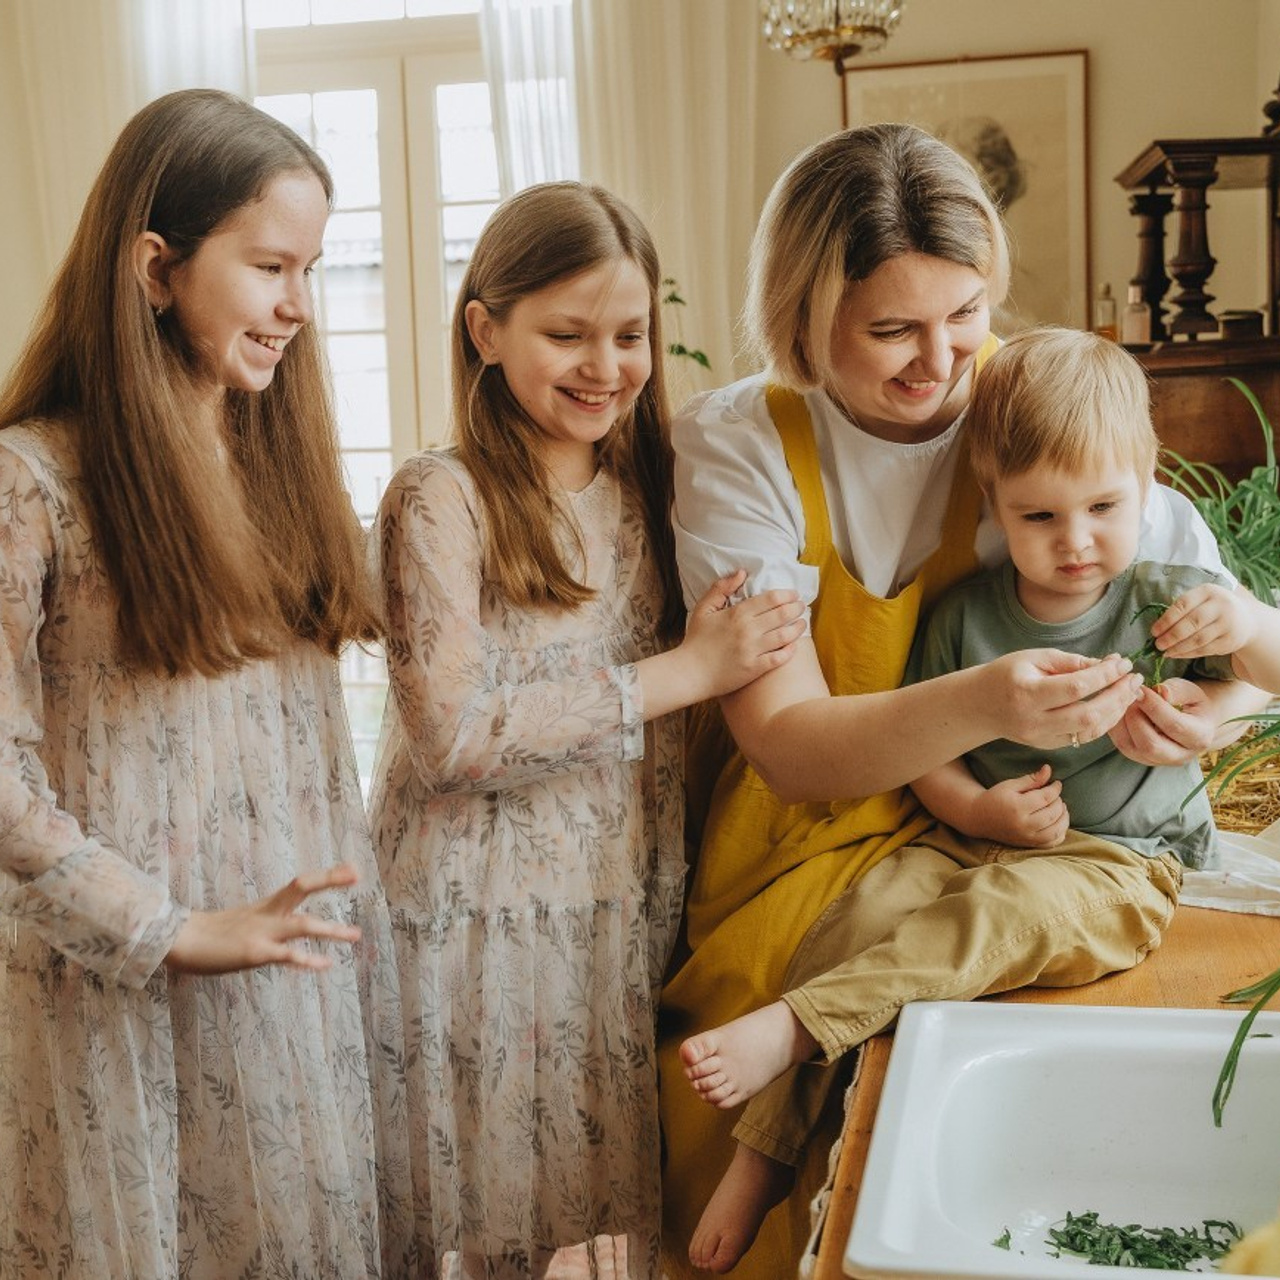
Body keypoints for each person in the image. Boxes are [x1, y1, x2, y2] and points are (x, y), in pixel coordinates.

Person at [655, 123, 1269, 1280]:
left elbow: (1235, 659)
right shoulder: (744, 440)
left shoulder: (1037, 405)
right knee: (793, 983)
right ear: (801, 315)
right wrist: (989, 703)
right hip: (809, 834)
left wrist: (1202, 720)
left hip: (1050, 839)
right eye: (889, 329)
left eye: (964, 313)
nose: (940, 361)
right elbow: (789, 748)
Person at [0, 89, 408, 1278]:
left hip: (286, 976)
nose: (297, 305)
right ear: (154, 265)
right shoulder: (30, 479)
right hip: (119, 985)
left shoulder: (277, 458)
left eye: (312, 268)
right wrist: (170, 930)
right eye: (270, 264)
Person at [366, 181, 804, 1279]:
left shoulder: (654, 482)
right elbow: (451, 736)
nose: (604, 365)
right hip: (462, 914)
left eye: (628, 333)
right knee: (447, 1217)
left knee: (563, 1220)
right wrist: (684, 668)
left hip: (606, 905)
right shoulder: (439, 496)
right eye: (566, 334)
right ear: (485, 328)